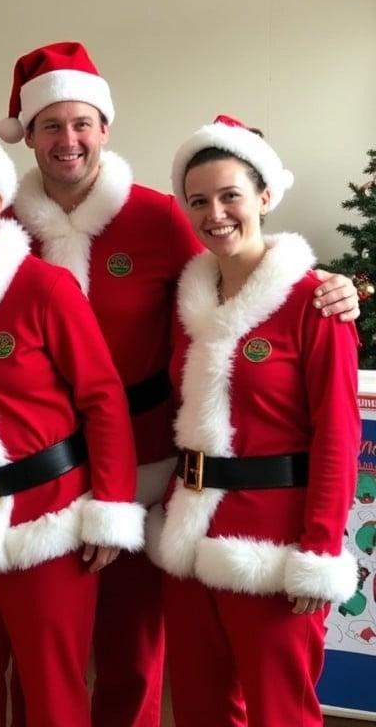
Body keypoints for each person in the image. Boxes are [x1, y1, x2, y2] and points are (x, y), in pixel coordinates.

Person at [0, 41, 360, 727]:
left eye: (81, 123)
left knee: (137, 652)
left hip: (150, 468)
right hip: (36, 469)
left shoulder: (164, 218)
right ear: (28, 134)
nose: (67, 140)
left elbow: (246, 284)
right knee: (43, 657)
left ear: (105, 127)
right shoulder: (2, 227)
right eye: (50, 124)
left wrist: (331, 288)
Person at [0, 113, 144, 727]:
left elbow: (103, 399)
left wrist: (109, 506)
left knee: (51, 692)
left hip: (50, 518)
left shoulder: (46, 288)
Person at [152, 114, 361, 726]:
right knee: (199, 707)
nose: (214, 213)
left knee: (280, 712)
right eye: (198, 201)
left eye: (229, 196)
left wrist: (317, 551)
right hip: (189, 529)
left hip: (276, 541)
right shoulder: (188, 303)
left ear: (264, 197)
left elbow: (338, 438)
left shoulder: (314, 303)